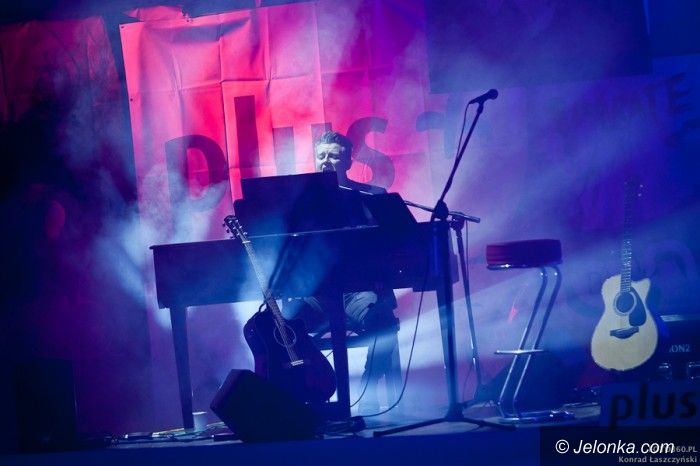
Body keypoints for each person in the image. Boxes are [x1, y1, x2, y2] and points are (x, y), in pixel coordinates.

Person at [284, 130, 400, 413]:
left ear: (348, 162)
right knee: (281, 329)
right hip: (316, 295)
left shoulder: (369, 196)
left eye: (334, 156)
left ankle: (368, 392)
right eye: (321, 156)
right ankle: (308, 398)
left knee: (383, 321)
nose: (326, 161)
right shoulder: (299, 203)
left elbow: (390, 243)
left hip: (357, 291)